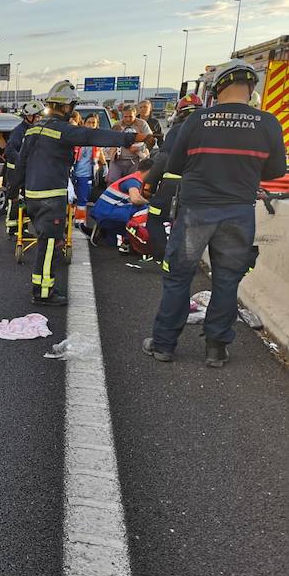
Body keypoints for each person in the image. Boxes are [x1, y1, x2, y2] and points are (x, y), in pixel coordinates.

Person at [144, 60, 287, 367]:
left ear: (217, 88)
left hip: (196, 211)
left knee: (178, 277)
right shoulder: (267, 123)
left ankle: (164, 345)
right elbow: (276, 170)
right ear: (251, 89)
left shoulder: (195, 122)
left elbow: (174, 166)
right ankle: (216, 349)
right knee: (227, 281)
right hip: (238, 213)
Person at [17, 80, 156, 305]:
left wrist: (16, 193)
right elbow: (93, 136)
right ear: (65, 107)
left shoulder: (34, 129)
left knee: (46, 241)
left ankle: (41, 288)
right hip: (51, 197)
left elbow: (21, 162)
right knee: (49, 244)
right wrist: (133, 138)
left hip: (33, 196)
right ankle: (43, 293)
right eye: (71, 106)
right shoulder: (64, 130)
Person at [143, 94, 203, 261]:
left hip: (174, 185)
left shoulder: (178, 130)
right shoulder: (211, 130)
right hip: (202, 187)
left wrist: (149, 184)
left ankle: (162, 258)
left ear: (180, 112)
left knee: (155, 217)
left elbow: (163, 159)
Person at [90, 158, 152, 253]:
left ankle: (107, 234)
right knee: (145, 209)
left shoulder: (131, 178)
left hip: (103, 212)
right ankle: (136, 241)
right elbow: (135, 199)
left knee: (111, 245)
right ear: (149, 171)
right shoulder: (134, 180)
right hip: (107, 213)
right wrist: (149, 202)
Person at [2, 99, 45, 234]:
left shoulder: (36, 130)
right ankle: (13, 228)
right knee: (14, 200)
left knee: (27, 201)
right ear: (29, 116)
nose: (39, 119)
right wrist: (22, 160)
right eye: (37, 116)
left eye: (40, 116)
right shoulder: (19, 131)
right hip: (15, 172)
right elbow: (9, 150)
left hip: (27, 171)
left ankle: (23, 228)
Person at [71, 113, 108, 229]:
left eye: (93, 123)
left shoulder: (97, 139)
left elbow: (100, 152)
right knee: (70, 198)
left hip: (86, 175)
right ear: (84, 123)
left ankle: (80, 222)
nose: (91, 125)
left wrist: (105, 165)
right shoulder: (77, 136)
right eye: (89, 122)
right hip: (71, 173)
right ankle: (70, 219)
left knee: (82, 200)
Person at [107, 104, 152, 183]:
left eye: (130, 116)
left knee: (132, 183)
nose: (128, 119)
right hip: (117, 161)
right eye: (125, 117)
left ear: (135, 114)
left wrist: (139, 148)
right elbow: (110, 140)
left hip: (135, 161)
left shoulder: (142, 124)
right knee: (112, 182)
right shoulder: (117, 125)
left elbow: (150, 140)